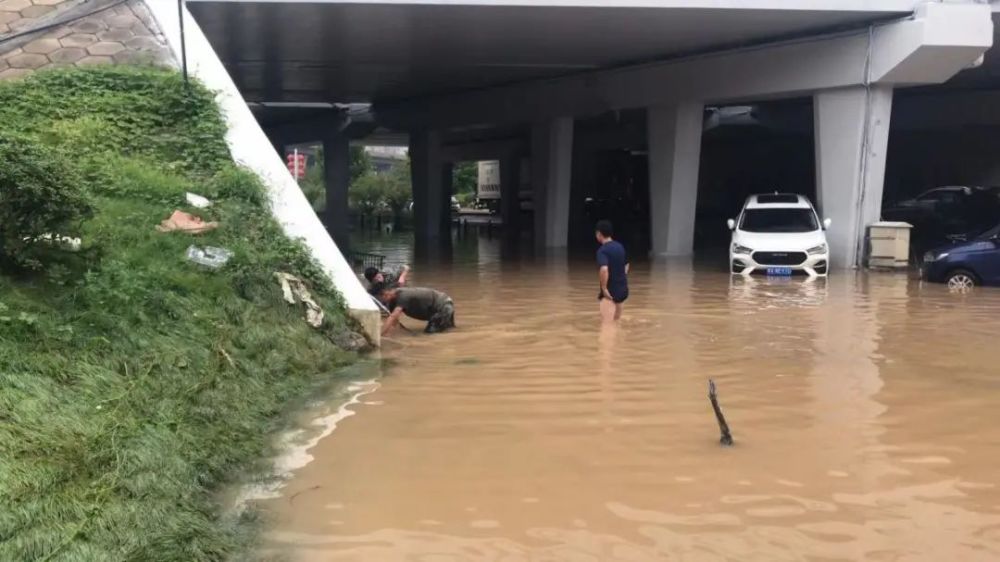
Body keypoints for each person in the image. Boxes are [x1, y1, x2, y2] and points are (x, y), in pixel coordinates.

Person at [372, 283, 456, 335]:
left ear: (386, 294)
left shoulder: (403, 296)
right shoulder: (392, 302)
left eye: (380, 298)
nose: (380, 302)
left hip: (443, 305)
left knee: (430, 334)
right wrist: (389, 334)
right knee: (448, 330)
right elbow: (394, 322)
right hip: (440, 306)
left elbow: (392, 317)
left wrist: (381, 335)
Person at [595, 219, 629, 322]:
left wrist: (604, 288)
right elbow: (626, 264)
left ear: (599, 234)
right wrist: (621, 277)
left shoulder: (602, 250)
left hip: (610, 294)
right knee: (616, 321)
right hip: (622, 291)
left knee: (606, 326)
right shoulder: (620, 246)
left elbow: (604, 269)